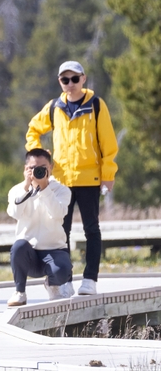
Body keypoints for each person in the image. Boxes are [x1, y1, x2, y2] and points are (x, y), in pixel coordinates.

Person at [26, 61, 119, 296]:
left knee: (91, 229)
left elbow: (108, 144)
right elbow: (33, 130)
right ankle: (64, 279)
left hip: (90, 179)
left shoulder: (96, 105)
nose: (70, 84)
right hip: (62, 180)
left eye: (74, 79)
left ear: (83, 79)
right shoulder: (53, 107)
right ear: (59, 81)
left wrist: (108, 175)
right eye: (64, 80)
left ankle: (90, 280)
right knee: (61, 232)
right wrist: (39, 157)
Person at [6, 149, 74, 306]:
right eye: (33, 168)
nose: (38, 171)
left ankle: (53, 285)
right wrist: (26, 187)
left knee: (63, 270)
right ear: (25, 169)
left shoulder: (62, 190)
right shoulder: (17, 190)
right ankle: (20, 292)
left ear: (50, 167)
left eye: (43, 167)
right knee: (18, 246)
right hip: (29, 254)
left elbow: (58, 214)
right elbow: (14, 213)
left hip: (53, 251)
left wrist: (44, 188)